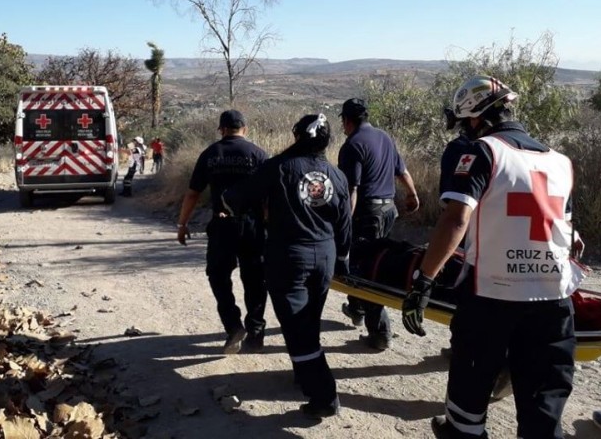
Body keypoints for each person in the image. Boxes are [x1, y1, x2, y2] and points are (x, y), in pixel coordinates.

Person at [401, 75, 582, 439]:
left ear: (474, 118)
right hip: (553, 299)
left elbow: (455, 219)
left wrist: (423, 281)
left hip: (492, 296)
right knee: (544, 409)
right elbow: (571, 236)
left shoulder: (482, 152)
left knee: (469, 399)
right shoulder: (560, 161)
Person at [222, 113, 352, 419]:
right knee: (309, 322)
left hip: (289, 257)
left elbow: (233, 200)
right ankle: (304, 375)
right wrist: (342, 259)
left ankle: (324, 396)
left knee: (297, 329)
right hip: (325, 255)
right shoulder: (337, 175)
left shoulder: (278, 167)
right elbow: (345, 224)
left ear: (297, 137)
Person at [176, 110, 269, 354]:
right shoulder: (258, 154)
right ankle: (256, 333)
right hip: (253, 226)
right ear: (244, 129)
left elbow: (193, 193)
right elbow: (269, 198)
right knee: (255, 280)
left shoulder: (210, 154)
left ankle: (233, 325)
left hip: (222, 225)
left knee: (218, 276)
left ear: (222, 129)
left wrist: (182, 224)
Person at [337, 97, 419, 350]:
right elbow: (401, 171)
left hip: (367, 213)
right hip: (388, 210)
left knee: (367, 269)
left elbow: (352, 188)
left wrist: (345, 221)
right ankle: (357, 309)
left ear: (347, 121)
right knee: (366, 262)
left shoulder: (352, 145)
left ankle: (380, 332)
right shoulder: (384, 137)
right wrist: (412, 194)